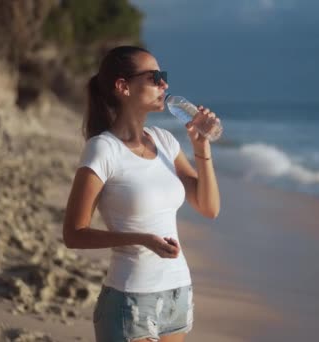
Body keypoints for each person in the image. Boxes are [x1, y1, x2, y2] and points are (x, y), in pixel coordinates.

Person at [62, 46, 221, 342]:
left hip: (178, 291)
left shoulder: (165, 141)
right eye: (154, 78)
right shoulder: (103, 149)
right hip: (131, 298)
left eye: (164, 77)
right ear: (123, 87)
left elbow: (209, 208)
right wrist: (140, 239)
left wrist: (202, 148)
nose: (165, 85)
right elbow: (74, 234)